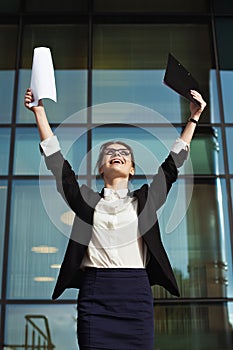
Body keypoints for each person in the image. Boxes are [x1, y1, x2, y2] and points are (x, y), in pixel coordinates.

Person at [25, 88, 206, 350]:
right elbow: (58, 167)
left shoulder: (146, 200)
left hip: (135, 294)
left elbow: (171, 165)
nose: (116, 153)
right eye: (108, 152)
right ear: (101, 167)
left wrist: (194, 118)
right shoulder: (86, 201)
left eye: (123, 152)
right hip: (96, 293)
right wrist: (39, 112)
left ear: (132, 168)